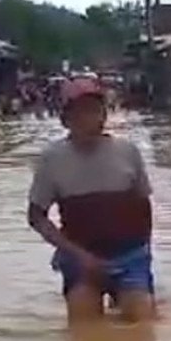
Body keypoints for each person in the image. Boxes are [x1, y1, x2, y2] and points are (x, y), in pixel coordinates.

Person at [27, 77, 156, 322]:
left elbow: (143, 205)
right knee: (83, 322)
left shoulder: (128, 152)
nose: (90, 120)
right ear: (65, 119)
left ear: (105, 115)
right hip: (80, 258)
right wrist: (77, 255)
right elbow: (36, 216)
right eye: (80, 113)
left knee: (142, 318)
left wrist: (144, 251)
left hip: (129, 256)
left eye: (95, 111)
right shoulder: (51, 160)